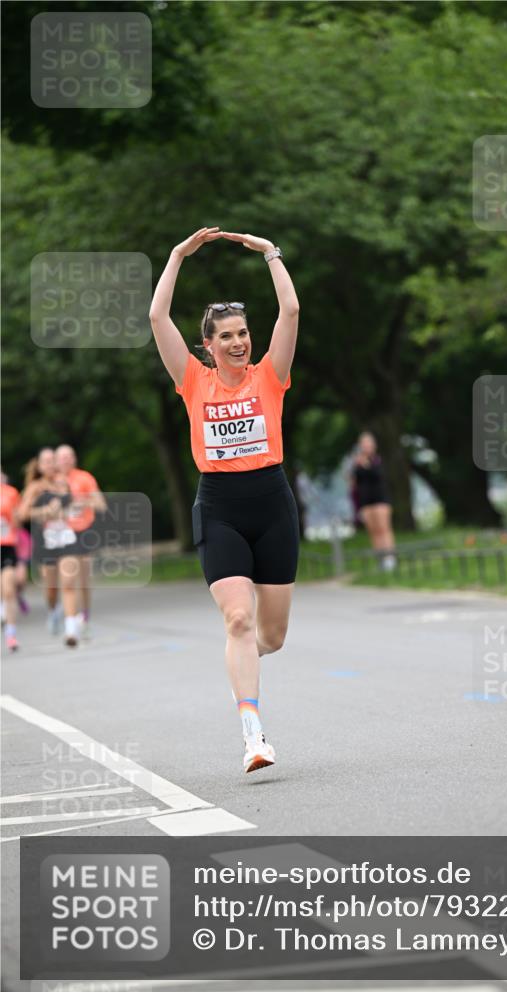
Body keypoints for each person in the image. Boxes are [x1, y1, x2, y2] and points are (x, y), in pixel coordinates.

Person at [149, 227, 300, 773]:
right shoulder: (192, 380)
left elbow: (290, 309)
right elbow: (157, 320)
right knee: (237, 619)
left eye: (242, 333)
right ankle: (254, 734)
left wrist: (270, 253)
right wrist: (176, 256)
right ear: (207, 346)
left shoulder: (270, 376)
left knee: (271, 636)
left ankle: (243, 665)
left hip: (272, 504)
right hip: (220, 507)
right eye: (226, 336)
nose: (238, 342)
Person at [19, 448, 81, 647]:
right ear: (39, 466)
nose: (50, 464)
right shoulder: (35, 487)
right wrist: (45, 510)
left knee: (69, 582)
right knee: (52, 588)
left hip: (66, 537)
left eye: (52, 460)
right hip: (46, 542)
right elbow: (21, 514)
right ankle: (53, 611)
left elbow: (77, 505)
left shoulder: (65, 482)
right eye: (45, 461)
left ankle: (71, 631)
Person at [55, 444, 106, 638]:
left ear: (74, 458)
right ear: (57, 460)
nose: (66, 460)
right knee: (68, 579)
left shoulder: (84, 478)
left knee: (83, 580)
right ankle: (71, 617)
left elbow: (100, 504)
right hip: (61, 534)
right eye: (62, 457)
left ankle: (84, 615)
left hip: (84, 531)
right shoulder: (52, 481)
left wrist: (82, 501)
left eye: (70, 456)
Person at [350, 431, 396, 571]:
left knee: (384, 529)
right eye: (363, 443)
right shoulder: (357, 463)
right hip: (365, 502)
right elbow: (354, 483)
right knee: (373, 531)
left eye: (368, 443)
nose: (366, 446)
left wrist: (365, 464)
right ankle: (380, 560)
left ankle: (390, 558)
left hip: (380, 499)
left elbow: (378, 476)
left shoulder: (378, 460)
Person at [1, 471, 22, 651]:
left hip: (6, 546)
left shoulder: (10, 493)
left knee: (9, 589)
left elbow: (19, 520)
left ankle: (11, 633)